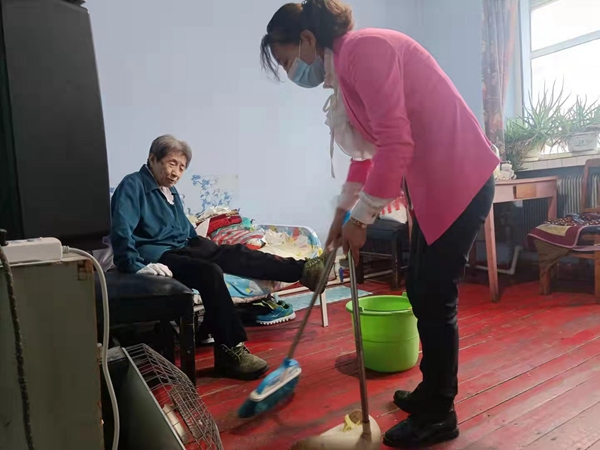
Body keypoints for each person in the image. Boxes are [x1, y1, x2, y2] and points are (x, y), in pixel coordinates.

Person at [260, 1, 499, 447]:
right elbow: (366, 154)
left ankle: (439, 414)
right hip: (436, 185)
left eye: (287, 59)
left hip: (459, 178)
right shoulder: (347, 66)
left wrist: (362, 217)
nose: (293, 71)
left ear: (308, 39)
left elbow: (395, 142)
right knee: (421, 290)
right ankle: (432, 390)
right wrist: (342, 213)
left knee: (434, 295)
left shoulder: (363, 51)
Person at [110, 134, 327, 381]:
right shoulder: (133, 185)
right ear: (152, 159)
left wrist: (204, 245)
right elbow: (121, 230)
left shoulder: (170, 192)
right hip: (160, 254)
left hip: (185, 245)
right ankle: (229, 351)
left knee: (236, 253)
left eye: (181, 167)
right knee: (209, 272)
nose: (176, 173)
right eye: (171, 164)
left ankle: (304, 270)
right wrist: (135, 265)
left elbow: (185, 230)